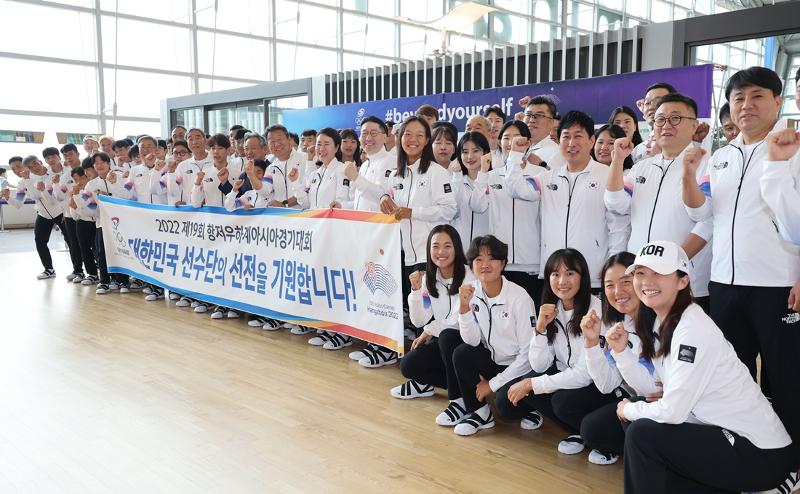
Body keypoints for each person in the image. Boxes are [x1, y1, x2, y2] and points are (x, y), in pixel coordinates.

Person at [682, 67, 800, 453]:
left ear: (778, 102)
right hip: (725, 282)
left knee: (785, 377)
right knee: (734, 373)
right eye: (738, 98)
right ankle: (747, 450)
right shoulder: (720, 157)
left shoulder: (793, 149)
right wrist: (688, 175)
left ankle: (790, 457)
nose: (746, 105)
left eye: (757, 96)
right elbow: (706, 214)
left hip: (779, 283)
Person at [617, 240, 796, 494]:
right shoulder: (661, 324)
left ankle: (770, 486)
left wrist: (631, 409)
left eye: (659, 272)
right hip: (722, 434)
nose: (646, 281)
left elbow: (672, 412)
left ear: (683, 281)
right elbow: (653, 389)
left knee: (641, 432)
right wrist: (621, 352)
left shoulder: (692, 329)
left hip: (762, 455)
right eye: (640, 273)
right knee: (638, 415)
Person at [496, 249, 614, 458]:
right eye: (555, 274)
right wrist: (540, 329)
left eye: (570, 273)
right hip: (565, 376)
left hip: (597, 386)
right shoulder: (553, 308)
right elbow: (540, 365)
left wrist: (532, 384)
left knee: (560, 401)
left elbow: (584, 375)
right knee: (506, 400)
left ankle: (588, 433)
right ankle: (574, 426)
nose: (562, 281)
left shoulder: (596, 312)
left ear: (582, 277)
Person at [606, 93, 713, 311]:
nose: (666, 125)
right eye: (660, 119)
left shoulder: (706, 163)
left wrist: (673, 265)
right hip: (642, 280)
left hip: (683, 279)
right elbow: (615, 203)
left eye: (676, 118)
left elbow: (706, 220)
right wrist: (617, 160)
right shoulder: (642, 167)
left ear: (694, 126)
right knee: (644, 341)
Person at [506, 111, 628, 289]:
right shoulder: (548, 177)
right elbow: (516, 189)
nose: (571, 143)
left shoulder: (608, 176)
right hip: (555, 275)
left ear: (591, 141)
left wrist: (612, 265)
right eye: (566, 136)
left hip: (591, 273)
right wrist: (515, 155)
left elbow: (618, 226)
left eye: (578, 136)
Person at [446, 235, 535, 436]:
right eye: (478, 259)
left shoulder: (519, 298)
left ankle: (533, 407)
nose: (485, 265)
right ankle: (479, 413)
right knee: (462, 352)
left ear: (502, 263)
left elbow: (528, 356)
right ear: (471, 265)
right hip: (495, 360)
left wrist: (492, 385)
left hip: (521, 368)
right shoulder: (472, 291)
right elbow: (472, 341)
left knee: (505, 407)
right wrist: (463, 308)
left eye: (491, 258)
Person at [381, 116, 458, 325]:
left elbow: (449, 209)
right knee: (417, 314)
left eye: (419, 135)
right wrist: (384, 198)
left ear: (426, 141)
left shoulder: (437, 173)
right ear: (400, 138)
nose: (412, 140)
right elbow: (389, 198)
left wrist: (412, 212)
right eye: (407, 134)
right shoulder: (396, 175)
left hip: (432, 256)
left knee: (434, 316)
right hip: (408, 257)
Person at [390, 225, 473, 398]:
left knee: (446, 337)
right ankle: (464, 386)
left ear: (457, 248)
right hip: (445, 341)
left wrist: (430, 330)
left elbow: (459, 319)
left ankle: (461, 395)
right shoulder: (430, 279)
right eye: (435, 246)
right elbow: (419, 320)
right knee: (408, 365)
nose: (441, 251)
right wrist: (416, 291)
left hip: (469, 343)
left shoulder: (470, 276)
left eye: (447, 246)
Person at [290, 127, 353, 349]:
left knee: (335, 283)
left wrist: (341, 205)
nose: (321, 148)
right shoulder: (315, 173)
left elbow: (347, 200)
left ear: (337, 147)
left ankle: (342, 332)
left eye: (326, 144)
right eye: (318, 144)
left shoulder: (344, 170)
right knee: (321, 282)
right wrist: (297, 182)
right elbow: (306, 204)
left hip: (337, 235)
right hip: (317, 236)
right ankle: (325, 327)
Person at [470, 120, 544, 305]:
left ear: (527, 142)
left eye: (516, 137)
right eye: (506, 137)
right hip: (499, 262)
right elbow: (477, 206)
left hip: (530, 261)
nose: (511, 142)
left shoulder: (539, 174)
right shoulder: (492, 175)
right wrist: (483, 174)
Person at [74, 152, 133, 294]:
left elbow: (127, 197)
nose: (99, 165)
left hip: (120, 222)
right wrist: (76, 196)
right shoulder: (91, 184)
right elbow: (88, 208)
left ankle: (123, 281)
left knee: (121, 250)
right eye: (96, 163)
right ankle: (105, 281)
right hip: (102, 223)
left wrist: (111, 191)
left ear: (108, 163)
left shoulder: (118, 177)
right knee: (102, 252)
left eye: (102, 162)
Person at [14, 155, 65, 279]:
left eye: (35, 163)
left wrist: (65, 211)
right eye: (30, 167)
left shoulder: (52, 174)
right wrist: (5, 197)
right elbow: (18, 204)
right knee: (40, 242)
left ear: (41, 162)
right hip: (43, 214)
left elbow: (55, 199)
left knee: (71, 241)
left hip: (60, 212)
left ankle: (79, 270)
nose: (34, 168)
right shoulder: (23, 182)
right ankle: (49, 269)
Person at [451, 132, 491, 246]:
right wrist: (457, 178)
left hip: (487, 251)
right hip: (459, 249)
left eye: (476, 150)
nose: (470, 156)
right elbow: (452, 211)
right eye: (465, 152)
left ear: (486, 153)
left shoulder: (495, 181)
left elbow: (478, 206)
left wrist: (483, 174)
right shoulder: (455, 180)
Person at [521, 95, 561, 169]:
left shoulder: (557, 154)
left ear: (551, 122)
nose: (532, 120)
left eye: (539, 115)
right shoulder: (519, 149)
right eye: (528, 115)